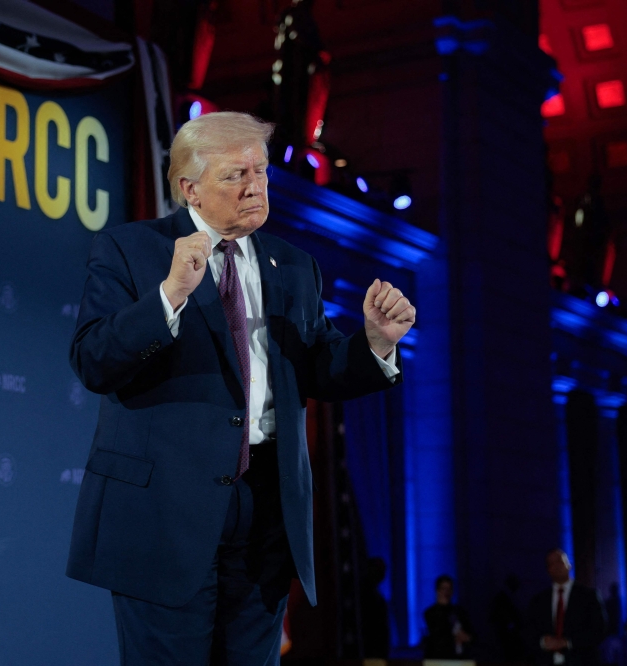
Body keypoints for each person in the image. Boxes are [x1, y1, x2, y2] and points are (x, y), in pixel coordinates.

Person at [66, 112, 414, 664]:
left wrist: (374, 343)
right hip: (165, 516)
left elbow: (319, 365)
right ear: (190, 189)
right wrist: (169, 296)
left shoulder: (294, 266)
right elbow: (93, 361)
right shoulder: (130, 250)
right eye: (235, 175)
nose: (255, 186)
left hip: (266, 519)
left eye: (261, 171)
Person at [528, 549, 606, 666]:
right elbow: (528, 631)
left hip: (581, 661)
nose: (557, 566)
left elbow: (600, 629)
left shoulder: (588, 596)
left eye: (560, 561)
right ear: (548, 569)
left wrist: (567, 642)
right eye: (552, 563)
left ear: (569, 565)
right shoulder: (538, 600)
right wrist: (543, 642)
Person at [424, 575, 474, 659]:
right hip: (438, 659)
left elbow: (472, 634)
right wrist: (454, 638)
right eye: (443, 588)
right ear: (437, 590)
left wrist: (467, 637)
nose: (446, 592)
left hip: (459, 658)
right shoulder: (430, 613)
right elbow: (437, 636)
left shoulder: (459, 612)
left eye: (449, 589)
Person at [361, 557, 391, 659]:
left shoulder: (376, 595)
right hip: (370, 648)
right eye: (380, 570)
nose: (383, 574)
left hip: (378, 649)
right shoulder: (366, 595)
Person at [490, 573, 525, 661]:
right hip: (505, 635)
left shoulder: (511, 597)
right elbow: (500, 616)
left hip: (512, 635)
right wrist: (512, 626)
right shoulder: (502, 598)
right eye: (515, 583)